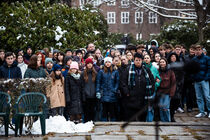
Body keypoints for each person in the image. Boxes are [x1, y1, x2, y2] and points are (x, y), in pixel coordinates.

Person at [121, 53, 155, 121]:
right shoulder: (128, 69)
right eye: (136, 60)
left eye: (139, 60)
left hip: (143, 98)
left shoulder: (146, 69)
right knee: (131, 119)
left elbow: (152, 81)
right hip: (131, 98)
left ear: (142, 60)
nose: (138, 61)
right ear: (134, 60)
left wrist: (151, 91)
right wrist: (127, 92)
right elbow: (123, 82)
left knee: (142, 118)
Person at [96, 57, 119, 121]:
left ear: (111, 63)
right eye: (106, 62)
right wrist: (98, 91)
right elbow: (98, 82)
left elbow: (117, 82)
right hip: (103, 93)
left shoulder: (115, 71)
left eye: (109, 62)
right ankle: (104, 123)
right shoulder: (101, 71)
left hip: (112, 94)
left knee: (112, 111)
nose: (107, 63)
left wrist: (115, 90)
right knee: (104, 111)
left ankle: (113, 123)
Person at [192, 45, 210, 118]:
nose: (198, 51)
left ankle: (209, 111)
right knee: (199, 97)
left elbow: (209, 68)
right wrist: (193, 77)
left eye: (199, 50)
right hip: (196, 80)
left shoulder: (207, 58)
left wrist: (206, 77)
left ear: (202, 50)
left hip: (204, 80)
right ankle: (201, 112)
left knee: (207, 97)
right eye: (196, 50)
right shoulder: (194, 59)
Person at [157, 58, 176, 122]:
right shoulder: (158, 71)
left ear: (166, 63)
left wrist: (172, 93)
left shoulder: (170, 71)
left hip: (167, 92)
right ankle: (163, 121)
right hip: (160, 92)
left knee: (166, 108)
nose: (162, 63)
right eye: (161, 62)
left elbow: (173, 83)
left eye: (163, 62)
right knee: (161, 108)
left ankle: (168, 121)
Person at [143, 54, 161, 122]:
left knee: (150, 107)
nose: (146, 59)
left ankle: (149, 121)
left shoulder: (154, 68)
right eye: (145, 58)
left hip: (152, 90)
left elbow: (158, 79)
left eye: (148, 58)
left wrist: (155, 85)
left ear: (150, 59)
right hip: (144, 90)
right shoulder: (142, 67)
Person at [81, 58, 97, 122]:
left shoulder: (95, 73)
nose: (89, 65)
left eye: (91, 63)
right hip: (86, 95)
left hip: (93, 95)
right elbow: (82, 85)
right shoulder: (83, 74)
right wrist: (83, 94)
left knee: (93, 111)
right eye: (88, 63)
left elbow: (96, 84)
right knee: (86, 111)